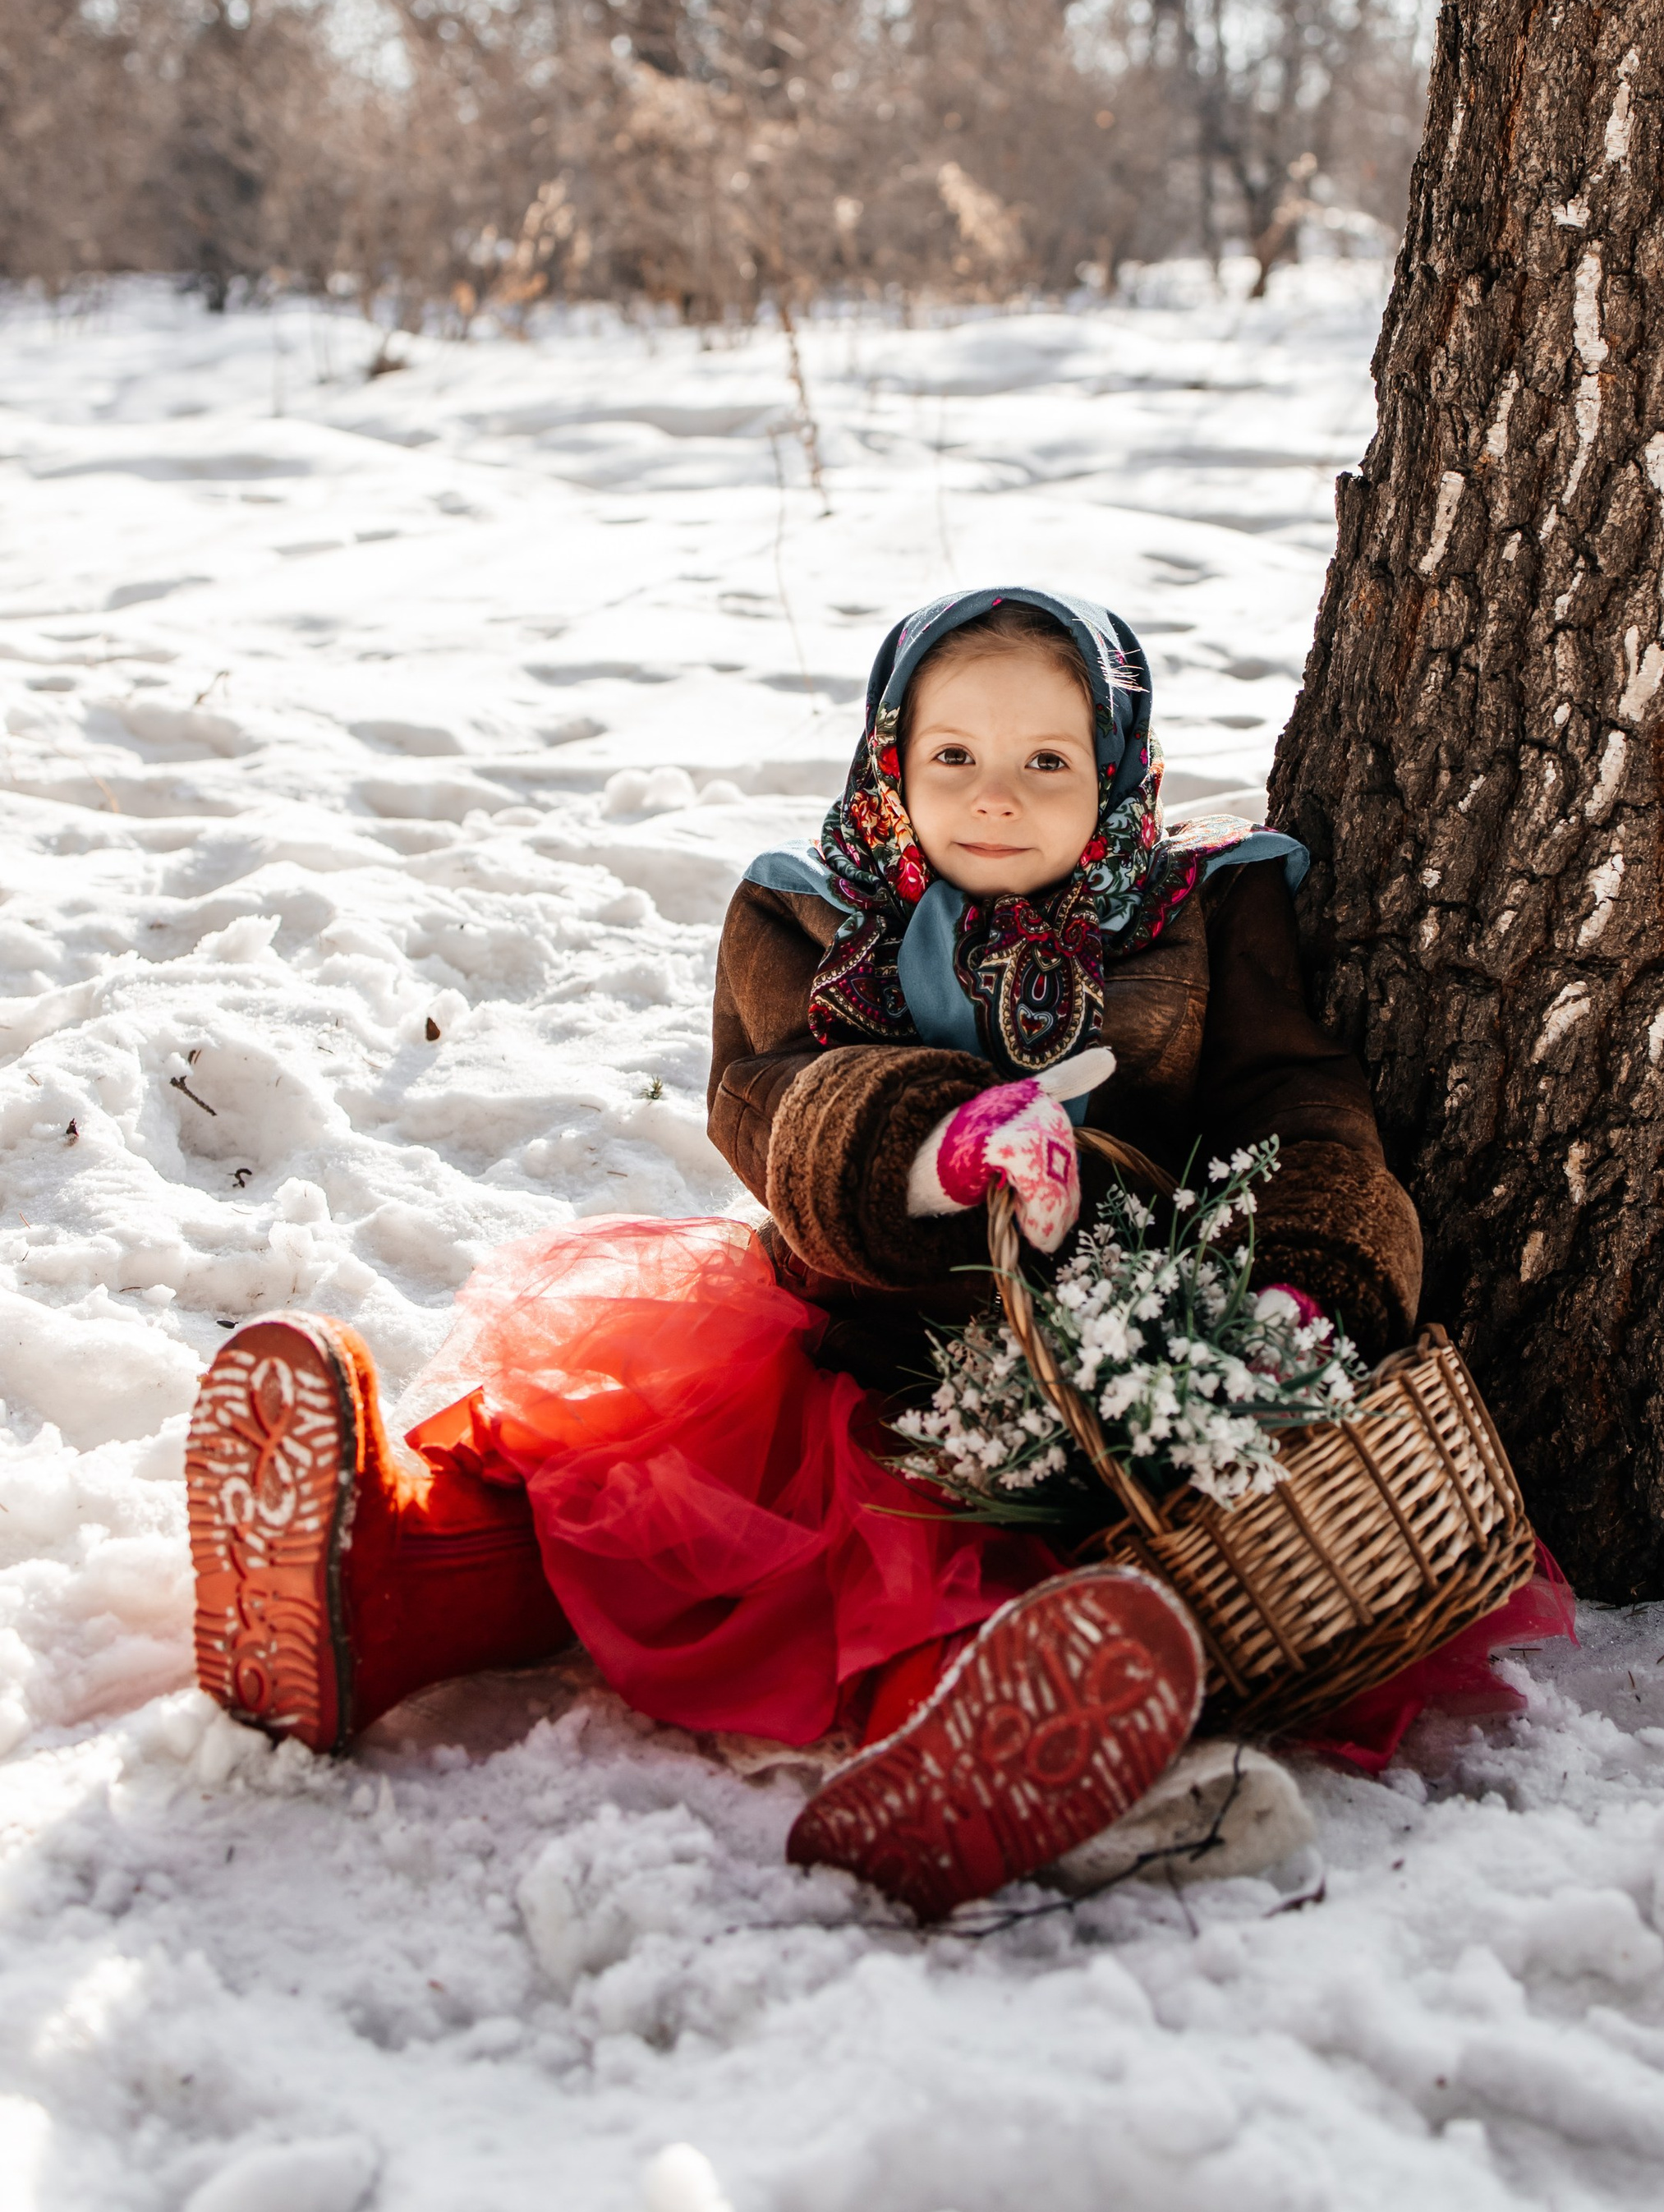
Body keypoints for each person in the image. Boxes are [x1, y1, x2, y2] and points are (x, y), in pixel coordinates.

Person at [186, 588, 1568, 1917]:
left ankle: (994, 1750)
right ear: (892, 756)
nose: (995, 796)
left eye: (1047, 761)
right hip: (837, 1332)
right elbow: (761, 1092)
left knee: (960, 1573)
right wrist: (930, 1147)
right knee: (619, 1493)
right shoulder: (815, 915)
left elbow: (1298, 1101)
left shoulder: (1199, 917)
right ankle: (379, 1565)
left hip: (1084, 1387)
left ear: (1118, 767)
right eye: (953, 756)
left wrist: (1299, 1287)